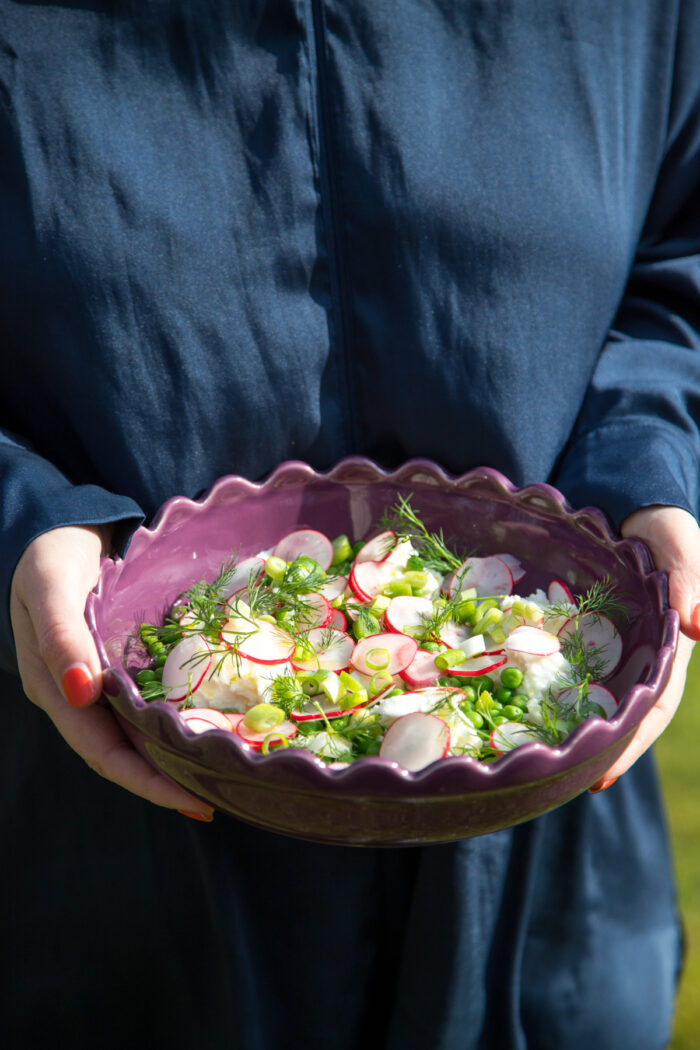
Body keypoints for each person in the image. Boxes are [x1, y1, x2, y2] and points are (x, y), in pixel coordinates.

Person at [2, 3, 699, 1048]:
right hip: (108, 838)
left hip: (541, 803)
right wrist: (24, 514)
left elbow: (678, 255)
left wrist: (646, 467)